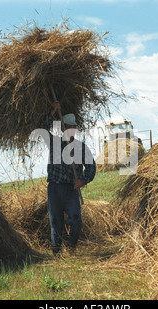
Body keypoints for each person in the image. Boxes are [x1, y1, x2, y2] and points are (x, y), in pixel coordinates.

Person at [40, 100, 96, 256]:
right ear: (63, 128)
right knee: (55, 223)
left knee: (76, 220)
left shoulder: (81, 147)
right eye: (68, 127)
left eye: (73, 127)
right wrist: (53, 111)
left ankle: (71, 247)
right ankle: (56, 253)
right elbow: (42, 129)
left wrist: (84, 180)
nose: (71, 129)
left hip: (71, 189)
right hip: (55, 188)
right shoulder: (54, 143)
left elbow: (91, 166)